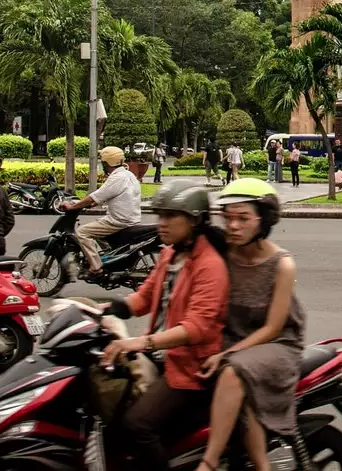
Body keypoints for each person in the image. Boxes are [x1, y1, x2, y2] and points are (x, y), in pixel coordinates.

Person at [100, 181, 230, 471]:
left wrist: (139, 343)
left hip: (190, 369)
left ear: (195, 220)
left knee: (137, 424)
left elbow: (196, 327)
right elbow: (146, 296)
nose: (162, 224)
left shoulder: (210, 264)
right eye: (160, 215)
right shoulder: (171, 254)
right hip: (163, 357)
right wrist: (110, 308)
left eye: (171, 216)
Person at [195, 179, 305, 471]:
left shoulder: (281, 264)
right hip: (233, 338)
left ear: (263, 220)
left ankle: (209, 461)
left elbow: (273, 328)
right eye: (228, 218)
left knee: (234, 373)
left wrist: (225, 355)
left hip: (276, 344)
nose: (233, 226)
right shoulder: (223, 255)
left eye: (243, 218)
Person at [60, 145, 147, 276]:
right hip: (130, 218)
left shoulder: (116, 178)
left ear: (108, 162)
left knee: (82, 232)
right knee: (97, 226)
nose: (103, 165)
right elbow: (103, 197)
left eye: (103, 162)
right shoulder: (128, 175)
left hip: (118, 221)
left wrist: (72, 207)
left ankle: (96, 267)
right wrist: (85, 203)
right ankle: (110, 256)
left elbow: (94, 197)